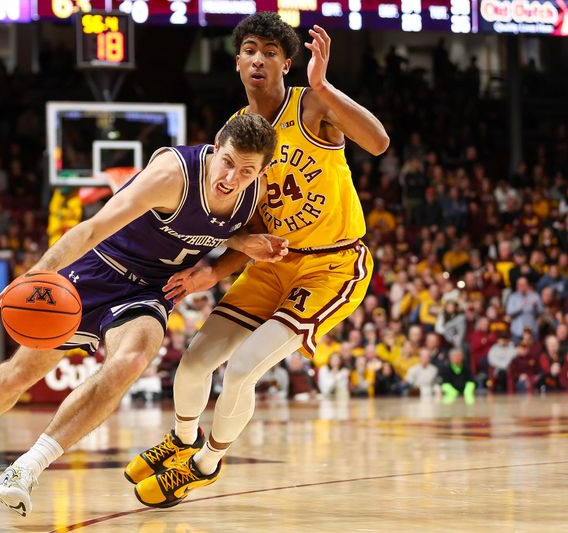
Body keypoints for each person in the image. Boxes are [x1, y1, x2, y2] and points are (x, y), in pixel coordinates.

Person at [0, 114, 285, 515]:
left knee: (130, 360)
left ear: (262, 171)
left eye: (247, 171)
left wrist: (228, 257)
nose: (232, 177)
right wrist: (39, 273)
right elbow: (91, 229)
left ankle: (26, 468)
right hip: (98, 266)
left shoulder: (256, 195)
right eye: (228, 162)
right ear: (217, 147)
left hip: (149, 290)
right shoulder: (172, 175)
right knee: (21, 373)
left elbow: (232, 237)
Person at [127, 14, 388, 508]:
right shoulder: (236, 132)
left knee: (242, 368)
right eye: (250, 49)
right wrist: (208, 271)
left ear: (286, 63)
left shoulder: (311, 105)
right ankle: (181, 442)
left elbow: (378, 142)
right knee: (193, 364)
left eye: (270, 52)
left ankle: (204, 464)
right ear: (237, 62)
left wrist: (324, 86)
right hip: (267, 266)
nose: (259, 59)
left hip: (331, 265)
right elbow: (244, 231)